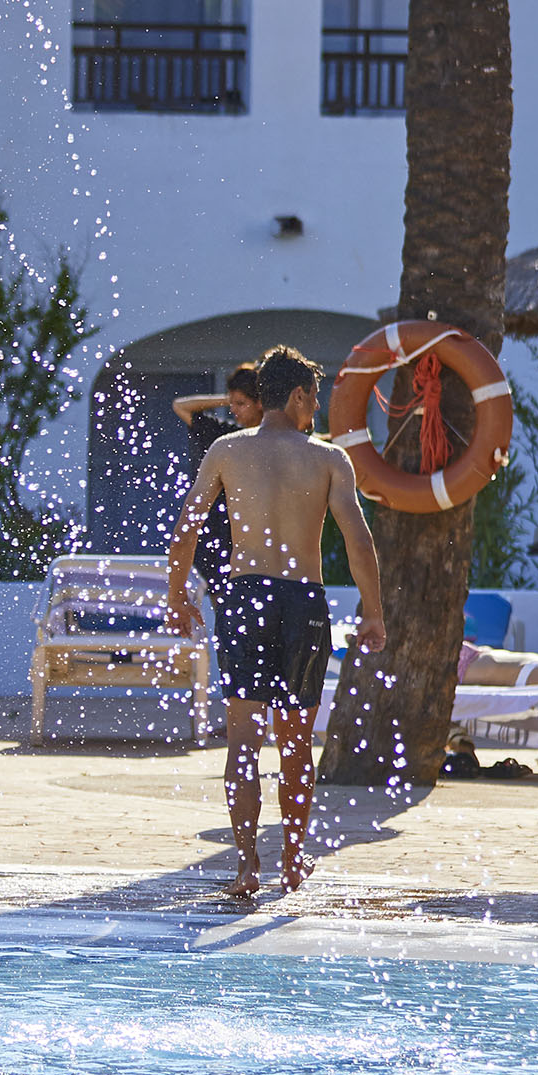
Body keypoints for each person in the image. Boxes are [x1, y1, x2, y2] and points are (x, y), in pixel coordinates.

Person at [166, 346, 386, 903]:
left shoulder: (226, 449)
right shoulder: (328, 458)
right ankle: (291, 859)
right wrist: (374, 613)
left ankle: (246, 865)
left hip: (244, 598)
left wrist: (176, 596)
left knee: (243, 741)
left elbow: (188, 526)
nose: (317, 411)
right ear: (297, 396)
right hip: (302, 602)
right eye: (315, 399)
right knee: (295, 744)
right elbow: (358, 540)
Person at [166, 364, 264, 598]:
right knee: (222, 605)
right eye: (232, 404)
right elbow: (180, 406)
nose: (233, 410)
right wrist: (228, 398)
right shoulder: (224, 436)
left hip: (256, 540)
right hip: (218, 535)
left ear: (261, 403)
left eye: (241, 404)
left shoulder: (277, 441)